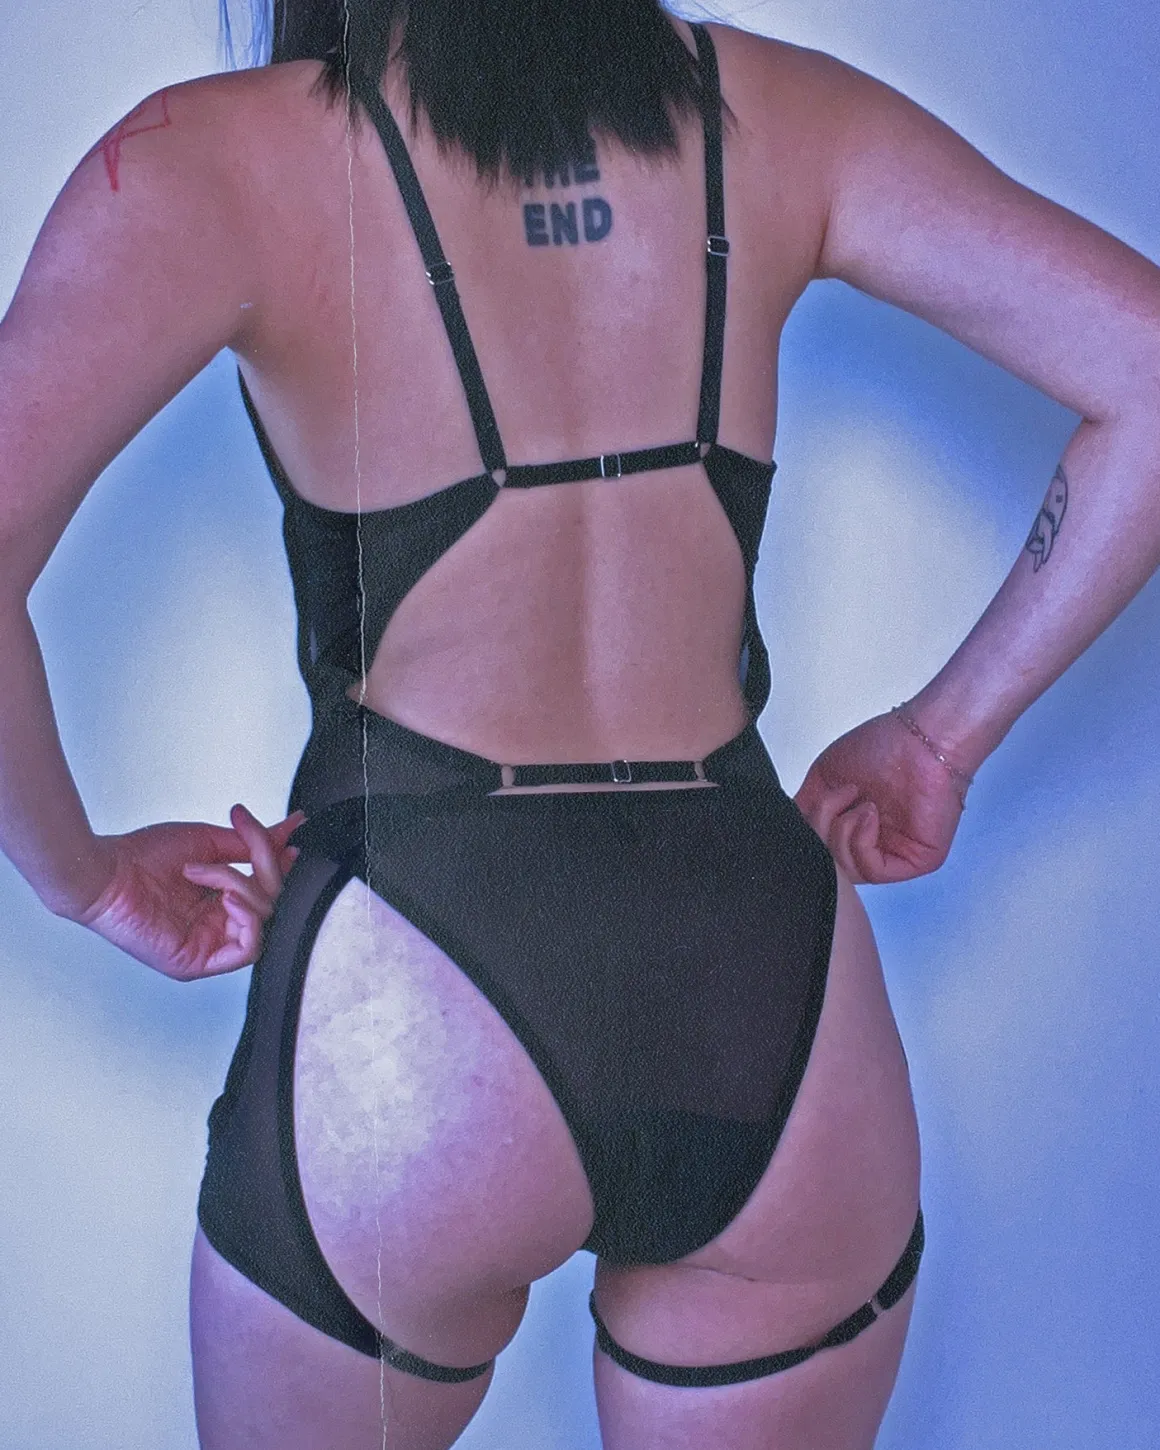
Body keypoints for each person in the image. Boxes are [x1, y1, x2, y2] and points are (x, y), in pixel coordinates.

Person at [2, 1, 1159, 1446]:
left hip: (414, 997)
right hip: (765, 980)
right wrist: (940, 741)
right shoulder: (779, 112)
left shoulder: (212, 157)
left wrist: (81, 877)